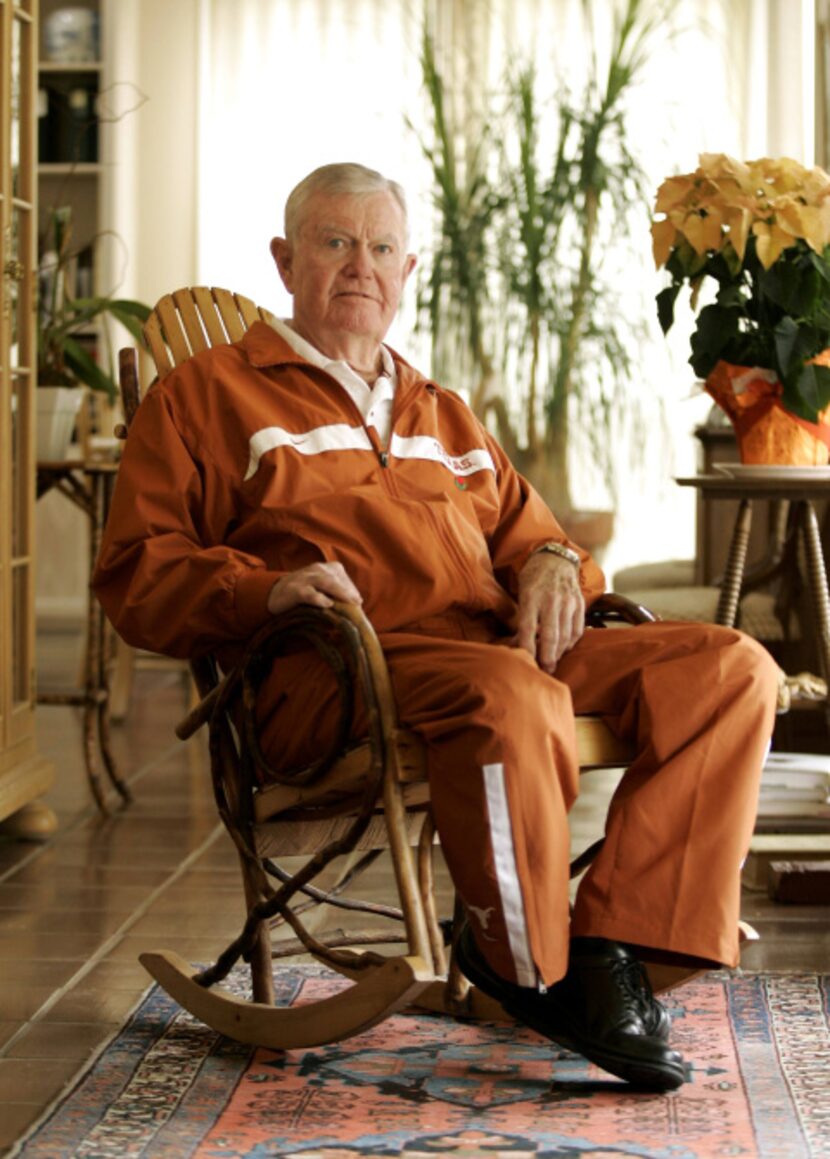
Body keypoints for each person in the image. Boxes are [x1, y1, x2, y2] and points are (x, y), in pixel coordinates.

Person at [93, 162, 780, 1092]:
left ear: (407, 269)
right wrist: (265, 591)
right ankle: (522, 958)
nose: (358, 266)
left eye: (380, 248)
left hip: (494, 653)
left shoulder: (440, 410)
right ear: (285, 260)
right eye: (335, 243)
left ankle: (621, 937)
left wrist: (549, 564)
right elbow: (138, 571)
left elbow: (540, 541)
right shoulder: (208, 397)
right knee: (512, 693)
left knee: (730, 666)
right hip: (339, 673)